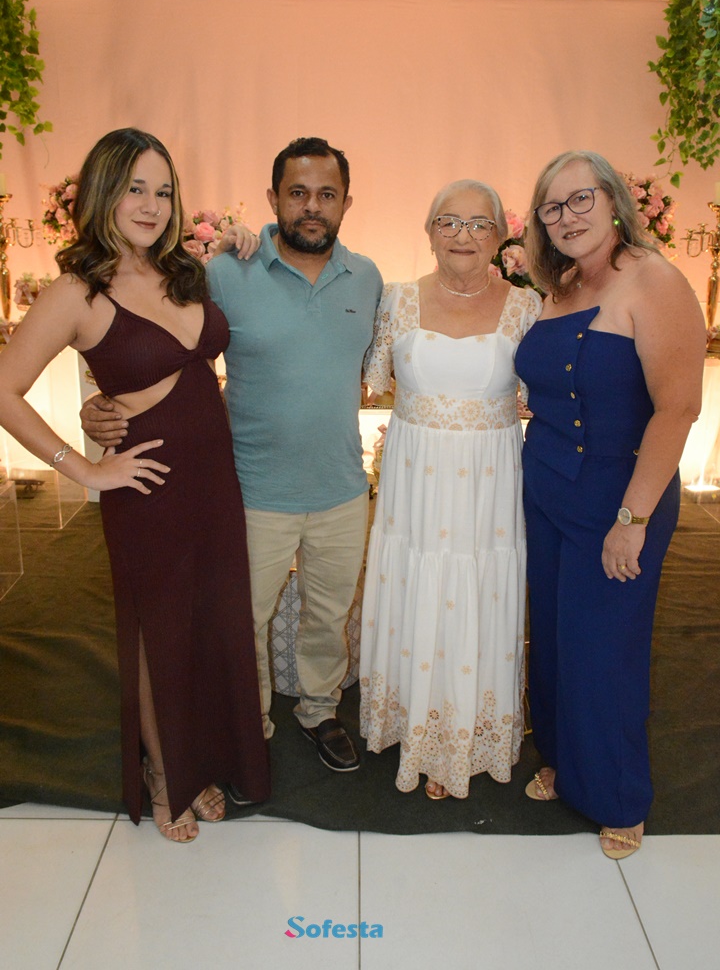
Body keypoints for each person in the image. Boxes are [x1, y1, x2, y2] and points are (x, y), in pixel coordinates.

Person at [0, 128, 270, 842]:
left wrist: (243, 240)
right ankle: (163, 772)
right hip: (145, 485)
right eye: (134, 189)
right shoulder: (76, 291)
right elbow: (4, 389)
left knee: (211, 617)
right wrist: (86, 467)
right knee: (158, 629)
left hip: (214, 478)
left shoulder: (184, 270)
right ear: (103, 194)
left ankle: (203, 756)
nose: (151, 205)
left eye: (163, 191)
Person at [82, 137, 384, 775]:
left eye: (326, 194)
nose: (312, 206)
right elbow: (162, 349)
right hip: (251, 490)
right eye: (297, 192)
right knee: (241, 621)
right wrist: (104, 404)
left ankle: (320, 709)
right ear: (273, 198)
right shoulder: (224, 273)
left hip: (340, 486)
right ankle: (252, 724)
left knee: (330, 615)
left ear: (347, 203)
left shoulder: (368, 277)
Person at [515, 150, 706, 858]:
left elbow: (678, 409)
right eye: (552, 207)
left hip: (619, 498)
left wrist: (632, 520)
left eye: (580, 199)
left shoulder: (654, 280)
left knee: (604, 650)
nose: (567, 217)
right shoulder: (562, 283)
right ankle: (565, 763)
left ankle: (619, 795)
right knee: (554, 641)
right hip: (547, 489)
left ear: (614, 201)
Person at [359, 180, 542, 800]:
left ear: (500, 236)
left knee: (477, 588)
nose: (463, 235)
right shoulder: (397, 300)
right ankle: (410, 721)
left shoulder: (526, 307)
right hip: (416, 481)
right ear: (429, 230)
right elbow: (369, 379)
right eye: (449, 221)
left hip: (487, 486)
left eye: (479, 223)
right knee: (417, 581)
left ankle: (464, 732)